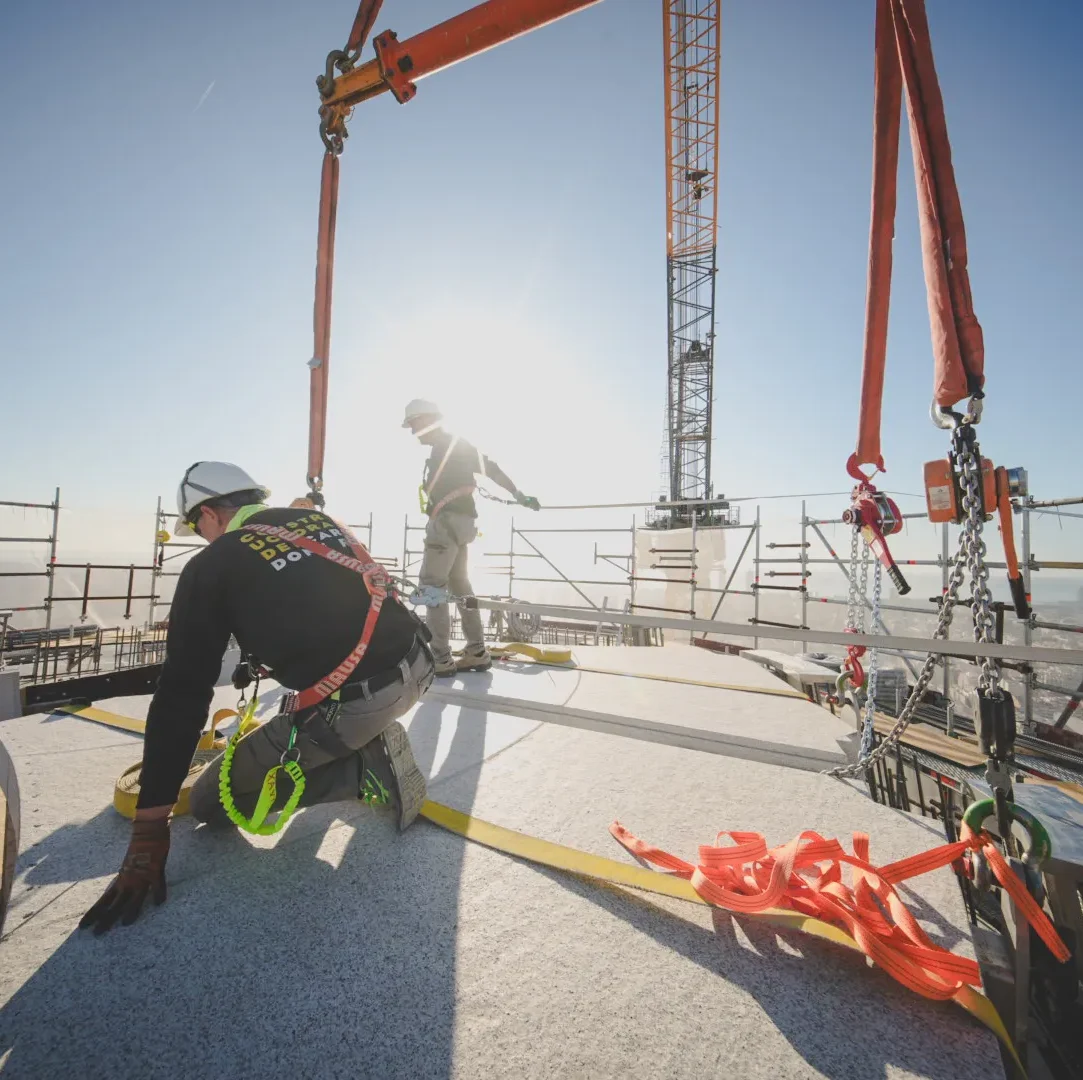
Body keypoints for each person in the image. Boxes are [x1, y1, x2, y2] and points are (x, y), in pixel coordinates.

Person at [80, 462, 434, 935]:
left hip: (359, 703)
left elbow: (182, 696)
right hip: (420, 666)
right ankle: (362, 742)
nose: (198, 536)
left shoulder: (212, 565)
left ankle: (363, 766)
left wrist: (149, 828)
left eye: (194, 525)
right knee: (305, 729)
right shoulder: (319, 522)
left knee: (211, 802)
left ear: (209, 512)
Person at [402, 399, 540, 677]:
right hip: (463, 523)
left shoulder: (449, 446)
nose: (412, 431)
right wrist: (518, 495)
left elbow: (492, 468)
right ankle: (476, 651)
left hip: (446, 523)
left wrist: (518, 494)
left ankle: (440, 657)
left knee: (431, 589)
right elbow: (491, 468)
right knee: (461, 587)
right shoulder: (454, 447)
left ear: (427, 420)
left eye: (414, 424)